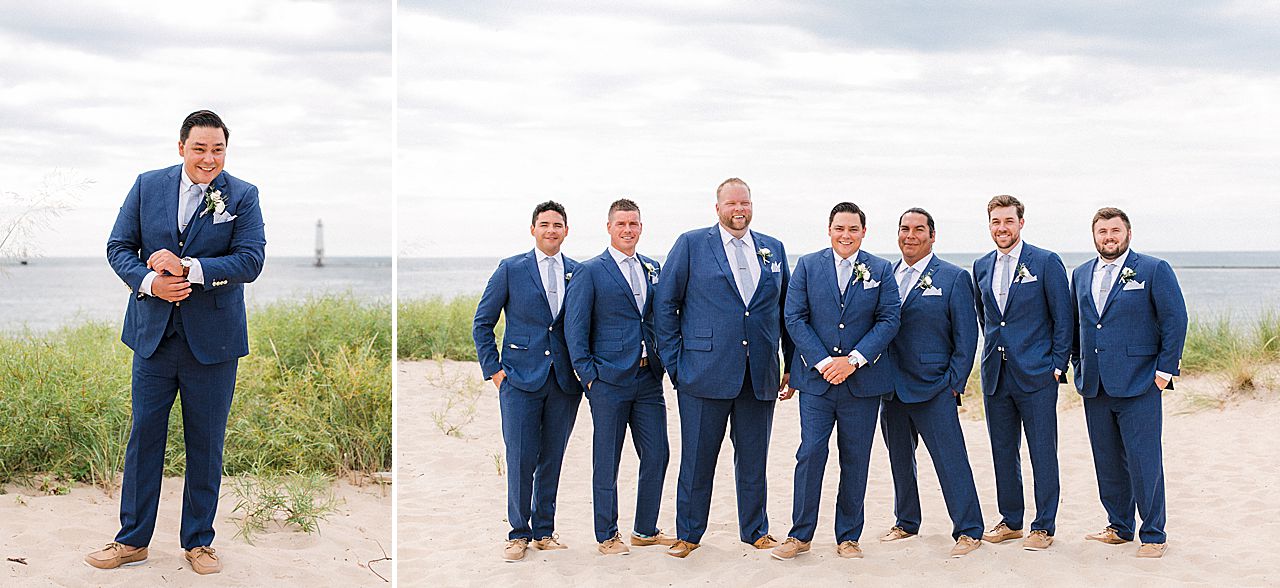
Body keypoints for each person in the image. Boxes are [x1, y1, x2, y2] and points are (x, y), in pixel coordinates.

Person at [89, 110, 266, 575]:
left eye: (218, 149)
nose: (209, 159)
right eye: (200, 148)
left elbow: (250, 261)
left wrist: (189, 269)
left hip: (214, 344)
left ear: (226, 150)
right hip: (153, 338)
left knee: (206, 443)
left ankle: (199, 543)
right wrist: (151, 282)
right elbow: (118, 248)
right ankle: (131, 541)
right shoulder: (147, 185)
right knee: (144, 438)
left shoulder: (243, 195)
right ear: (182, 147)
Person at [654, 177, 794, 558]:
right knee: (698, 459)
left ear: (752, 205)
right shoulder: (691, 244)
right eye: (731, 203)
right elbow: (665, 305)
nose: (739, 210)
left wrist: (790, 364)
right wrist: (675, 363)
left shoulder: (773, 248)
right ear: (717, 208)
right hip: (702, 372)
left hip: (759, 373)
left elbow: (787, 312)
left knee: (753, 460)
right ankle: (689, 534)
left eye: (744, 203)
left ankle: (755, 530)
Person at [771, 202, 899, 561]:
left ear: (863, 232)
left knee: (856, 458)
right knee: (810, 453)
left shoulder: (880, 269)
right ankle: (800, 535)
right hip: (816, 382)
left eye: (853, 229)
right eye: (840, 228)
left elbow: (889, 320)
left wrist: (854, 361)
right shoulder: (808, 266)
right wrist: (826, 362)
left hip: (862, 383)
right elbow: (794, 317)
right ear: (829, 230)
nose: (846, 235)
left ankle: (848, 536)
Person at [1070, 207, 1187, 559]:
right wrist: (1078, 364)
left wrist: (1164, 372)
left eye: (1115, 230)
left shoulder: (1153, 269)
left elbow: (1175, 319)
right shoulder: (1079, 274)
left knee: (1143, 460)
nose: (1109, 237)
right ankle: (1119, 526)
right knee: (1106, 460)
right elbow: (1077, 324)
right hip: (1095, 383)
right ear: (1094, 236)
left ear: (1128, 233)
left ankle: (1153, 534)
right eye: (1102, 231)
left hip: (1141, 383)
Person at [472, 201, 583, 562]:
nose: (551, 230)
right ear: (533, 229)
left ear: (567, 231)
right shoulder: (511, 269)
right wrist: (495, 372)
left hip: (564, 382)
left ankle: (544, 532)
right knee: (520, 457)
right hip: (518, 379)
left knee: (552, 457)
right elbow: (482, 323)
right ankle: (518, 533)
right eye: (545, 224)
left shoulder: (578, 272)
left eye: (558, 225)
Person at [564, 198, 673, 555]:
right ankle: (606, 534)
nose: (628, 230)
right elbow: (575, 327)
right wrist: (588, 377)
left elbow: (656, 319)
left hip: (647, 379)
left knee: (658, 454)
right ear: (609, 227)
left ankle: (644, 529)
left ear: (641, 227)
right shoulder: (589, 271)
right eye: (621, 224)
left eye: (634, 224)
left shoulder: (652, 268)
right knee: (607, 459)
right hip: (607, 381)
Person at [877, 208, 984, 557]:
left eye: (918, 229)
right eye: (904, 228)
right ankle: (906, 522)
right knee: (899, 459)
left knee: (951, 460)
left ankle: (968, 529)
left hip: (934, 386)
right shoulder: (885, 275)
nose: (910, 235)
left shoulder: (953, 277)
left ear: (932, 235)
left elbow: (966, 336)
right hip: (891, 387)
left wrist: (954, 382)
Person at [972, 195, 1072, 551]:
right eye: (996, 222)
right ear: (989, 225)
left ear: (1021, 223)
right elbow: (987, 318)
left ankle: (1043, 525)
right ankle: (1011, 520)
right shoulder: (981, 266)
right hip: (996, 374)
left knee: (1042, 451)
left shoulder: (1045, 262)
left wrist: (1057, 366)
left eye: (1008, 221)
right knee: (1003, 450)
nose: (1002, 228)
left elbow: (1064, 318)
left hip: (1038, 374)